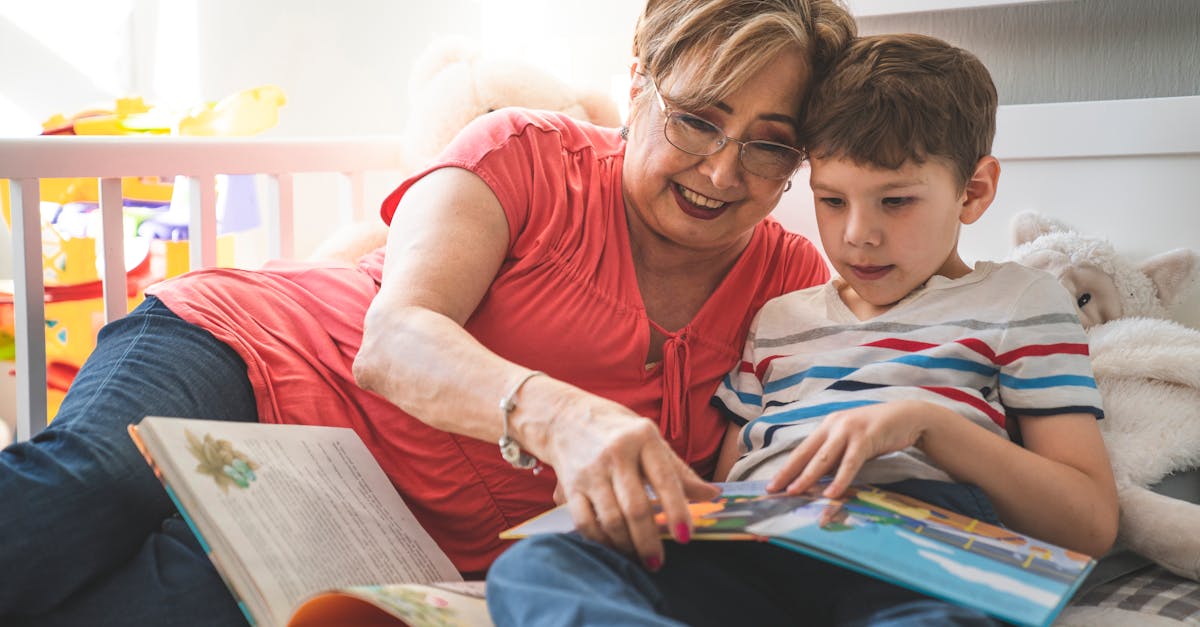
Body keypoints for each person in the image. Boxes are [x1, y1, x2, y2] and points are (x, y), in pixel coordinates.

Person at [0, 1, 856, 625]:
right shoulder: (525, 150)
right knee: (87, 490)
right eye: (697, 121)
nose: (721, 171)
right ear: (637, 83)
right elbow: (394, 339)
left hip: (368, 526)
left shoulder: (792, 285)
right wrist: (562, 415)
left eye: (768, 144)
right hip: (250, 352)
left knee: (170, 602)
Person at [486, 33, 1120, 626]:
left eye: (895, 201)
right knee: (537, 566)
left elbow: (1089, 524)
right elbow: (726, 482)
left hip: (911, 555)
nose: (858, 235)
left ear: (974, 192)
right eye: (832, 200)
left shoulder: (1021, 302)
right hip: (757, 546)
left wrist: (927, 425)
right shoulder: (778, 319)